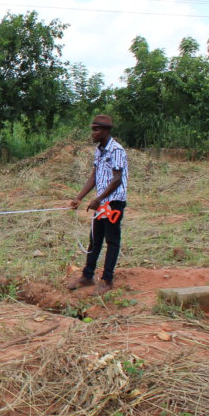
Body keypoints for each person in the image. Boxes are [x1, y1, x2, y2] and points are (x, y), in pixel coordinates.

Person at [68, 115, 128, 293]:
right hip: (102, 203)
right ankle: (88, 276)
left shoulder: (116, 150)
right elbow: (94, 176)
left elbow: (116, 180)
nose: (93, 133)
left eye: (97, 129)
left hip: (113, 202)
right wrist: (79, 197)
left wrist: (98, 199)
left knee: (111, 240)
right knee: (95, 240)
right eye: (93, 129)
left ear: (107, 131)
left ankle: (107, 279)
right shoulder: (100, 150)